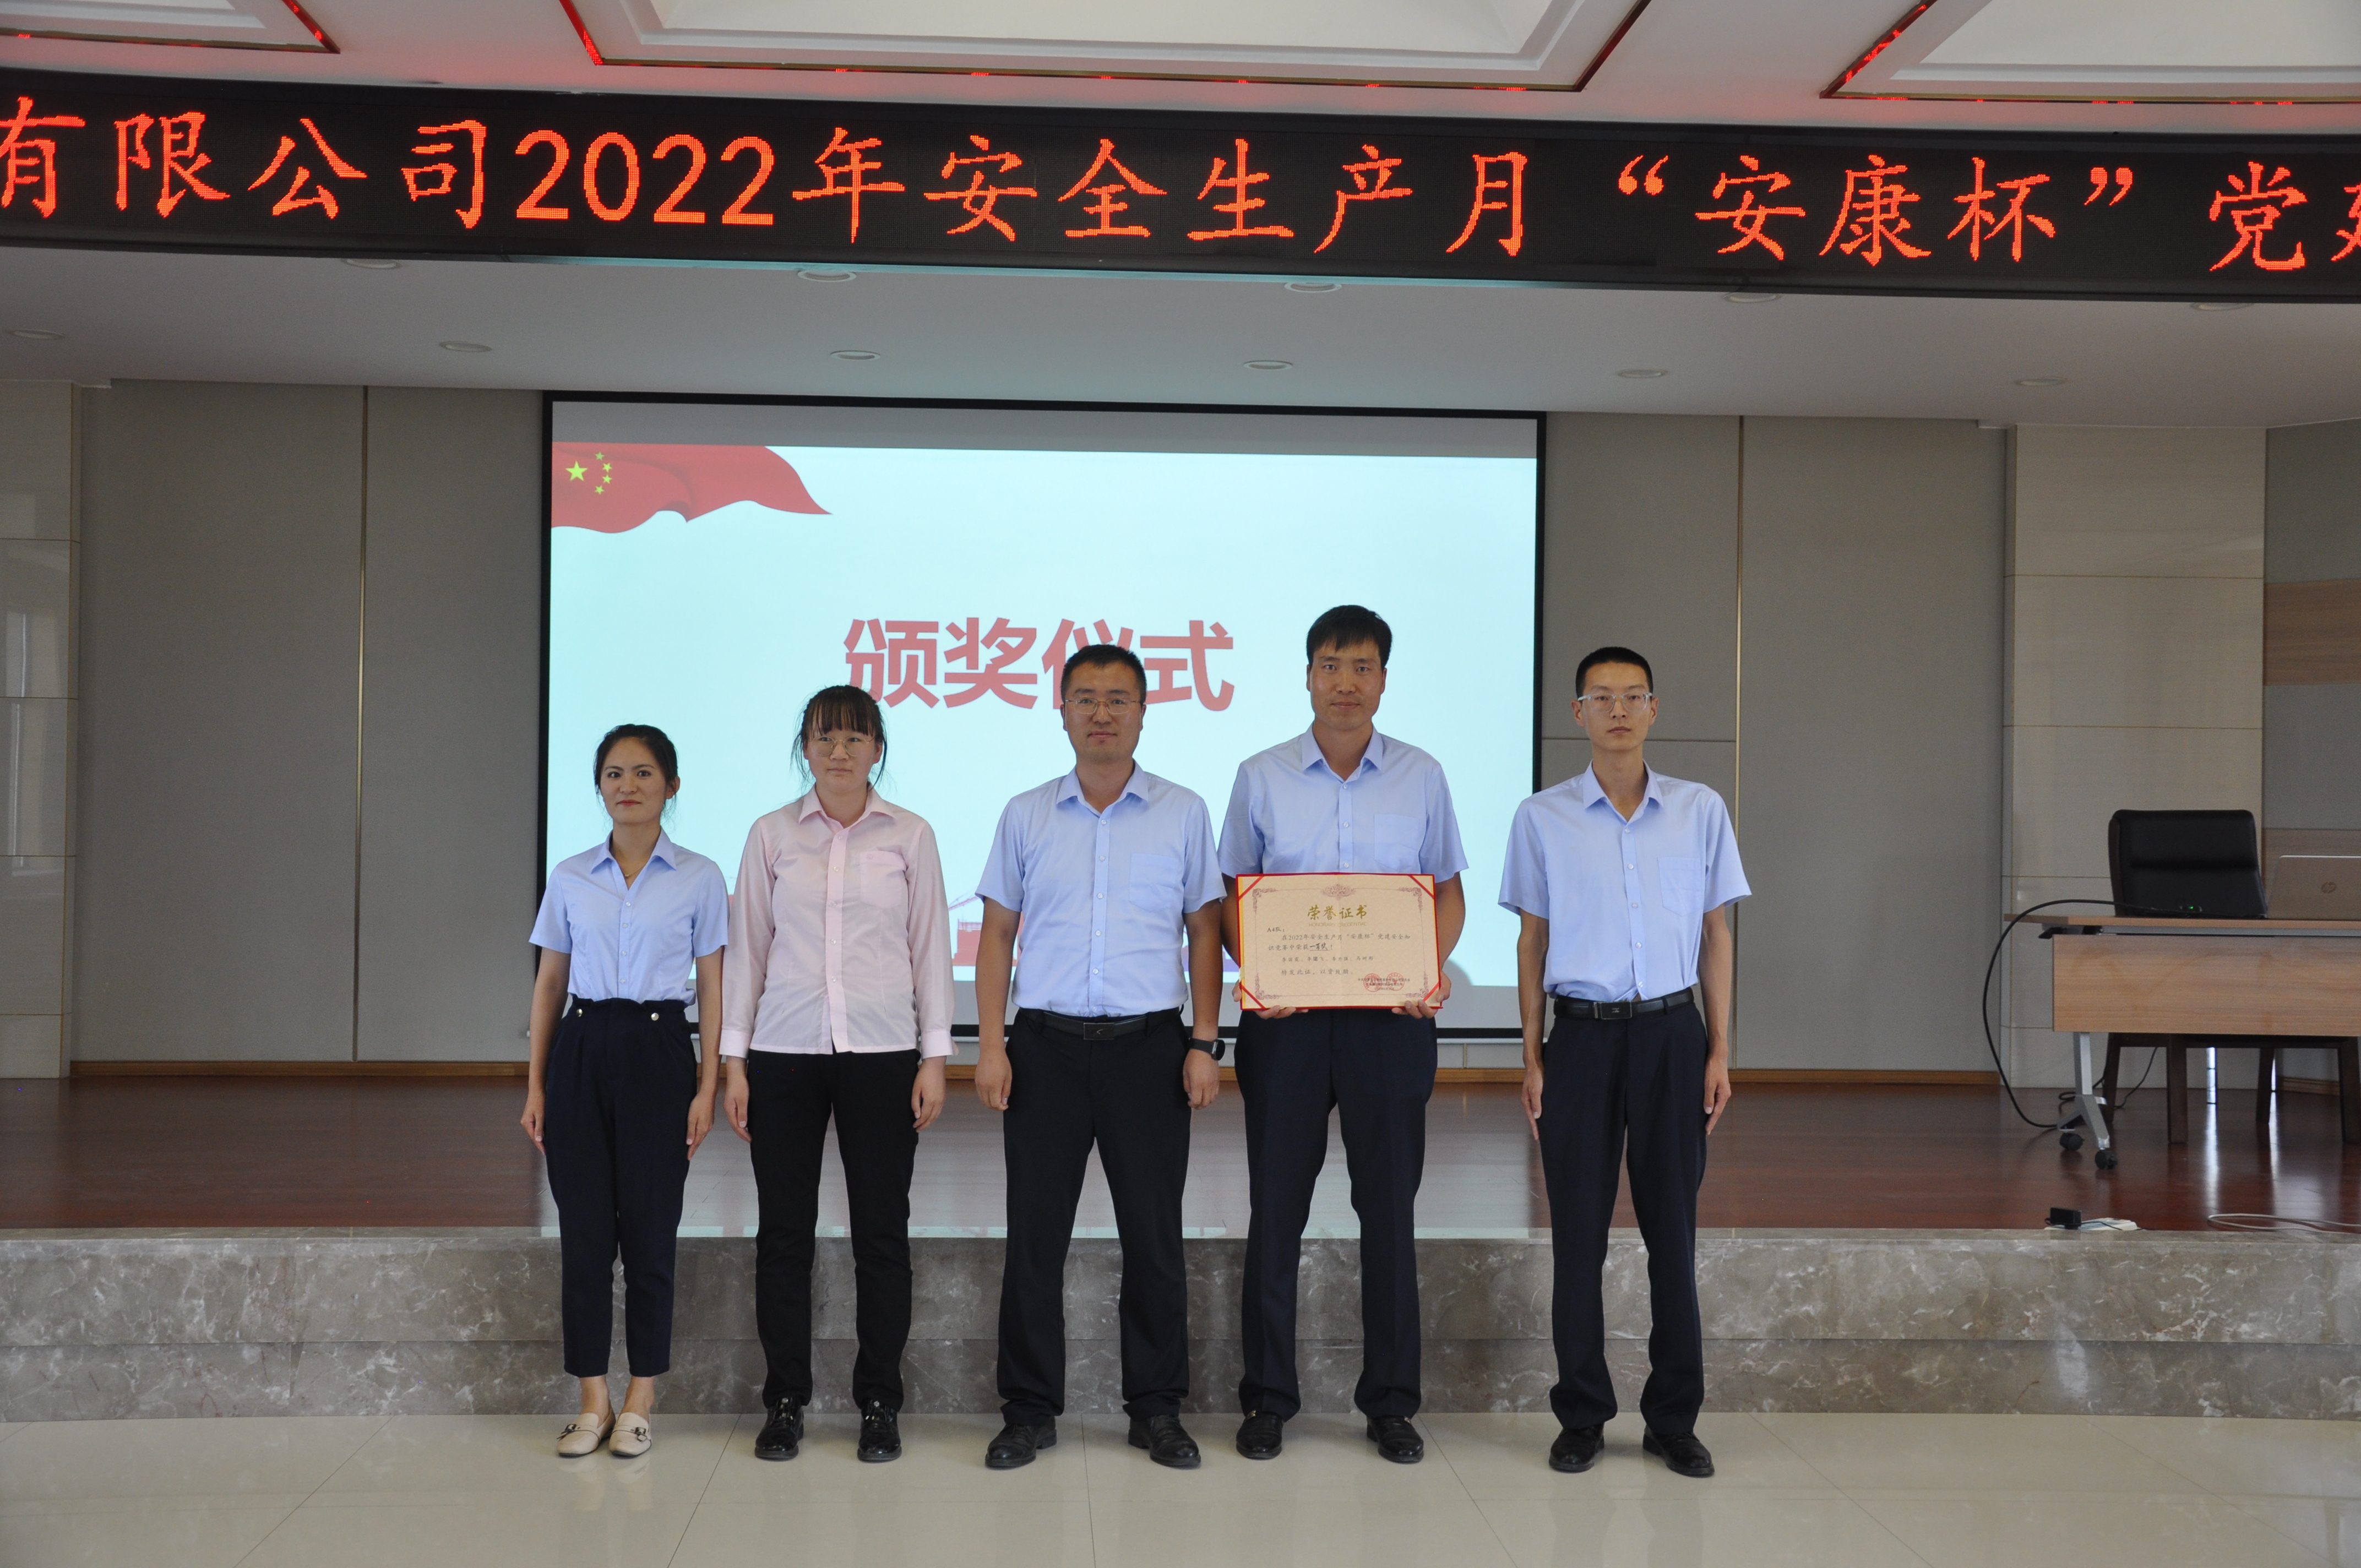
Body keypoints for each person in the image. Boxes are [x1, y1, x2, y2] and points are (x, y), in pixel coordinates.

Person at [1218, 605, 1466, 1466]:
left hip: (1389, 1026)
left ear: (1384, 679)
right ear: (1308, 676)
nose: (1346, 682)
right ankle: (1267, 1399)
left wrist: (1428, 970)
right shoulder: (1261, 776)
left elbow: (1446, 890)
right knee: (1276, 1212)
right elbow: (1233, 894)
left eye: (1362, 667)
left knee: (1389, 1213)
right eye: (1331, 665)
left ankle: (1391, 1403)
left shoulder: (1423, 776)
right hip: (1285, 1027)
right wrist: (1261, 971)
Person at [972, 644, 1228, 1472]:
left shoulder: (1183, 812)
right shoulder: (1026, 814)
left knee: (1154, 1240)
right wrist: (991, 1046)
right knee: (1034, 1240)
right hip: (1042, 1049)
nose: (1102, 713)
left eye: (1119, 698)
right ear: (1062, 711)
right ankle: (1028, 1410)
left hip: (1149, 1051)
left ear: (1144, 713)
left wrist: (1203, 1042)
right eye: (1085, 698)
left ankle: (1156, 1409)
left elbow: (1205, 933)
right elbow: (997, 936)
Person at [1500, 646, 1748, 1479]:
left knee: (1672, 1233)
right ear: (1577, 712)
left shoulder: (1699, 810)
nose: (1617, 710)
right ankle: (1581, 1415)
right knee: (1578, 1236)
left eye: (1632, 696)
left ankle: (1673, 1419)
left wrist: (1720, 1048)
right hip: (1579, 1040)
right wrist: (1532, 1054)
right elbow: (1531, 942)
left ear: (1654, 708)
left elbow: (1716, 934)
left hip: (1673, 1036)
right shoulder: (1542, 817)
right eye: (1601, 697)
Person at [720, 685, 953, 1466]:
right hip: (783, 1053)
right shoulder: (771, 834)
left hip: (883, 1054)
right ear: (805, 749)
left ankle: (879, 1402)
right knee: (784, 1235)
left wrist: (934, 1059)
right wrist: (734, 1063)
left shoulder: (911, 835)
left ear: (877, 748)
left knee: (882, 1235)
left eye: (855, 738)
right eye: (824, 738)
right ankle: (785, 1400)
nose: (840, 752)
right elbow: (749, 950)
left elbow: (930, 948)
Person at [523, 723, 727, 1459]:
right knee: (584, 1235)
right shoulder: (571, 875)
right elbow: (550, 983)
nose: (628, 785)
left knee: (649, 1230)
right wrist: (536, 1085)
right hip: (581, 1048)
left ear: (671, 786)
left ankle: (641, 1396)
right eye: (614, 773)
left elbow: (713, 987)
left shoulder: (701, 876)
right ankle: (592, 1400)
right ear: (600, 787)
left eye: (644, 773)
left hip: (660, 1048)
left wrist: (707, 1086)